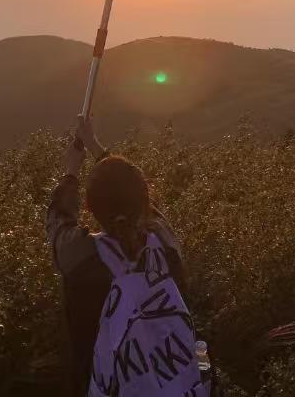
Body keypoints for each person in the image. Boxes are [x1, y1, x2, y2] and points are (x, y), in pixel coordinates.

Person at [46, 116, 198, 397]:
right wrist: (98, 149)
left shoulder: (81, 258)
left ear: (88, 206)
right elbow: (143, 203)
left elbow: (58, 220)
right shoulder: (166, 245)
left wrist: (71, 173)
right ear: (143, 199)